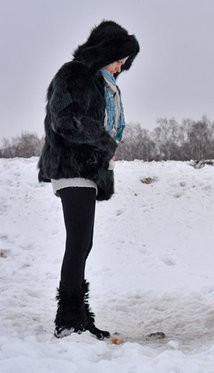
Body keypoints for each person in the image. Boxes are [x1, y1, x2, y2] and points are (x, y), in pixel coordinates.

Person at [38, 20, 139, 339]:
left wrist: (104, 149)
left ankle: (78, 315)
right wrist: (105, 142)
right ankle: (68, 320)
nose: (121, 67)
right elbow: (64, 120)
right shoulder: (75, 74)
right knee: (78, 242)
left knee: (84, 243)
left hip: (88, 169)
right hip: (72, 167)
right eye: (119, 59)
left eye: (125, 63)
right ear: (105, 52)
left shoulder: (101, 82)